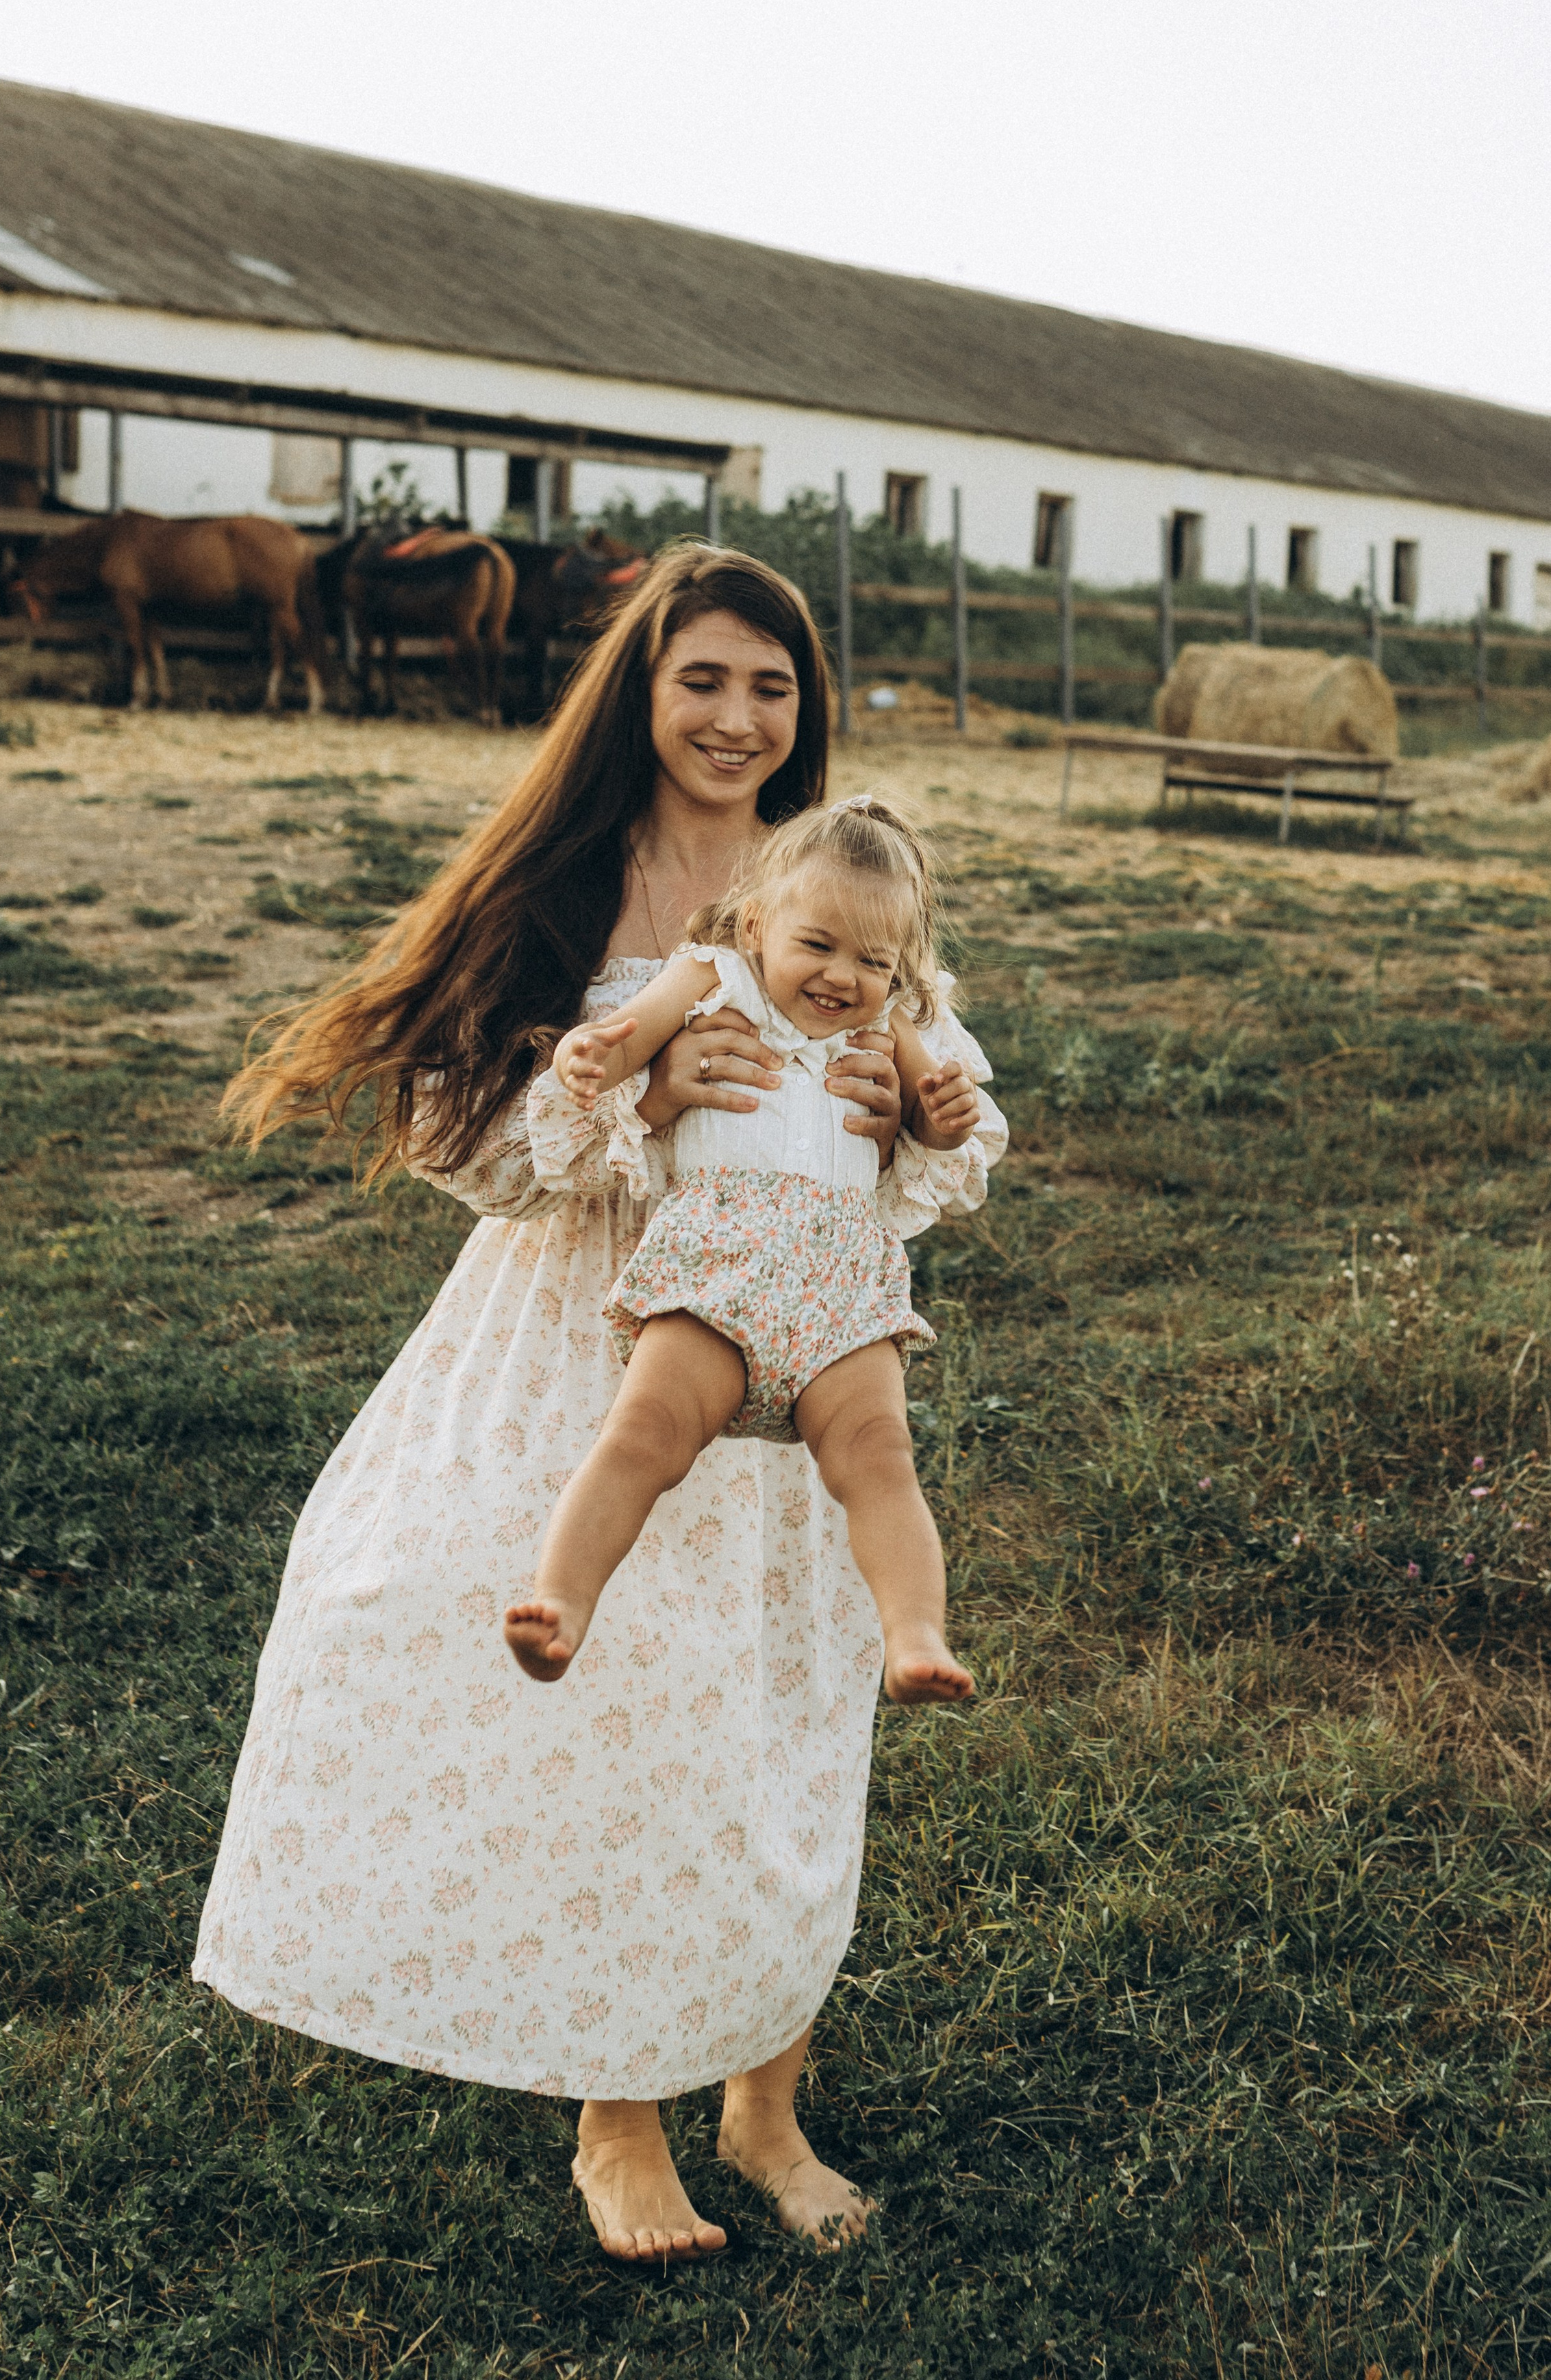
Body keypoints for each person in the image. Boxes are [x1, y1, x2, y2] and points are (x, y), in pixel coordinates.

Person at [194, 542, 1008, 2262]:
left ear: (807, 711)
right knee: (618, 1721)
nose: (733, 717)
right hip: (595, 1338)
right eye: (700, 678)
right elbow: (447, 1129)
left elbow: (951, 1128)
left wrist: (900, 1115)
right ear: (640, 689)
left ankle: (765, 2107)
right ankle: (616, 2118)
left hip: (791, 1349)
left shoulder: (832, 880)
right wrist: (638, 1092)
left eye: (769, 686)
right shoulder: (567, 878)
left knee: (779, 1724)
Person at [505, 797, 980, 1708]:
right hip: (713, 1270)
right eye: (819, 945)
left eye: (873, 960)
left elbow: (936, 1121)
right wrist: (587, 1060)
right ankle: (559, 1603)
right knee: (644, 1436)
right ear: (759, 921)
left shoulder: (893, 1021)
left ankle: (915, 1637)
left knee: (879, 1457)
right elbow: (623, 1042)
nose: (844, 977)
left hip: (840, 1289)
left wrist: (941, 1116)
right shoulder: (712, 975)